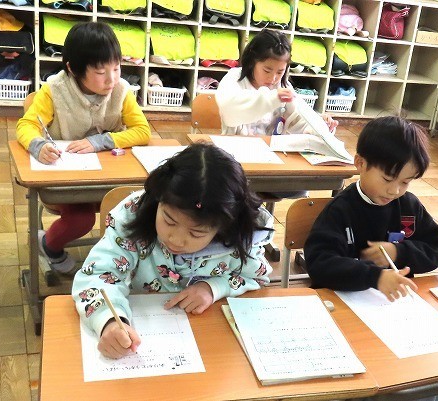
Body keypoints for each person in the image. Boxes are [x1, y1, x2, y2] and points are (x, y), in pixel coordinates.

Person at [72, 143, 274, 359]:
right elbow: (97, 274)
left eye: (196, 233)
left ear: (222, 227)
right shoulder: (132, 216)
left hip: (208, 344)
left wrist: (213, 287)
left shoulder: (239, 238)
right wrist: (110, 321)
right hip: (145, 335)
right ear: (159, 200)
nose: (176, 240)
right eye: (169, 220)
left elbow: (257, 277)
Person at [16, 21, 151, 274]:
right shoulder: (55, 90)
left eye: (116, 68)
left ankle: (124, 256)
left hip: (109, 174)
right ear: (73, 68)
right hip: (69, 177)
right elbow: (26, 125)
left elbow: (142, 131)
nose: (112, 79)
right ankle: (48, 244)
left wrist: (100, 141)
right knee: (81, 219)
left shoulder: (121, 90)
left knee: (137, 208)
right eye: (100, 72)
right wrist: (38, 145)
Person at [305, 116, 438, 302]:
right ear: (360, 163)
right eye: (387, 179)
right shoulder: (340, 210)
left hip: (394, 304)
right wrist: (375, 277)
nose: (395, 190)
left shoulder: (409, 206)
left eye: (405, 182)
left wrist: (398, 252)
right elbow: (319, 264)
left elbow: (436, 249)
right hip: (343, 301)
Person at [215, 28, 338, 136]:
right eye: (267, 70)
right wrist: (272, 99)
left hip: (270, 151)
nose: (273, 78)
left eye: (280, 72)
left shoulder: (283, 87)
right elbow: (229, 112)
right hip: (236, 150)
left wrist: (320, 125)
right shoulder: (234, 79)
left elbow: (299, 119)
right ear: (252, 62)